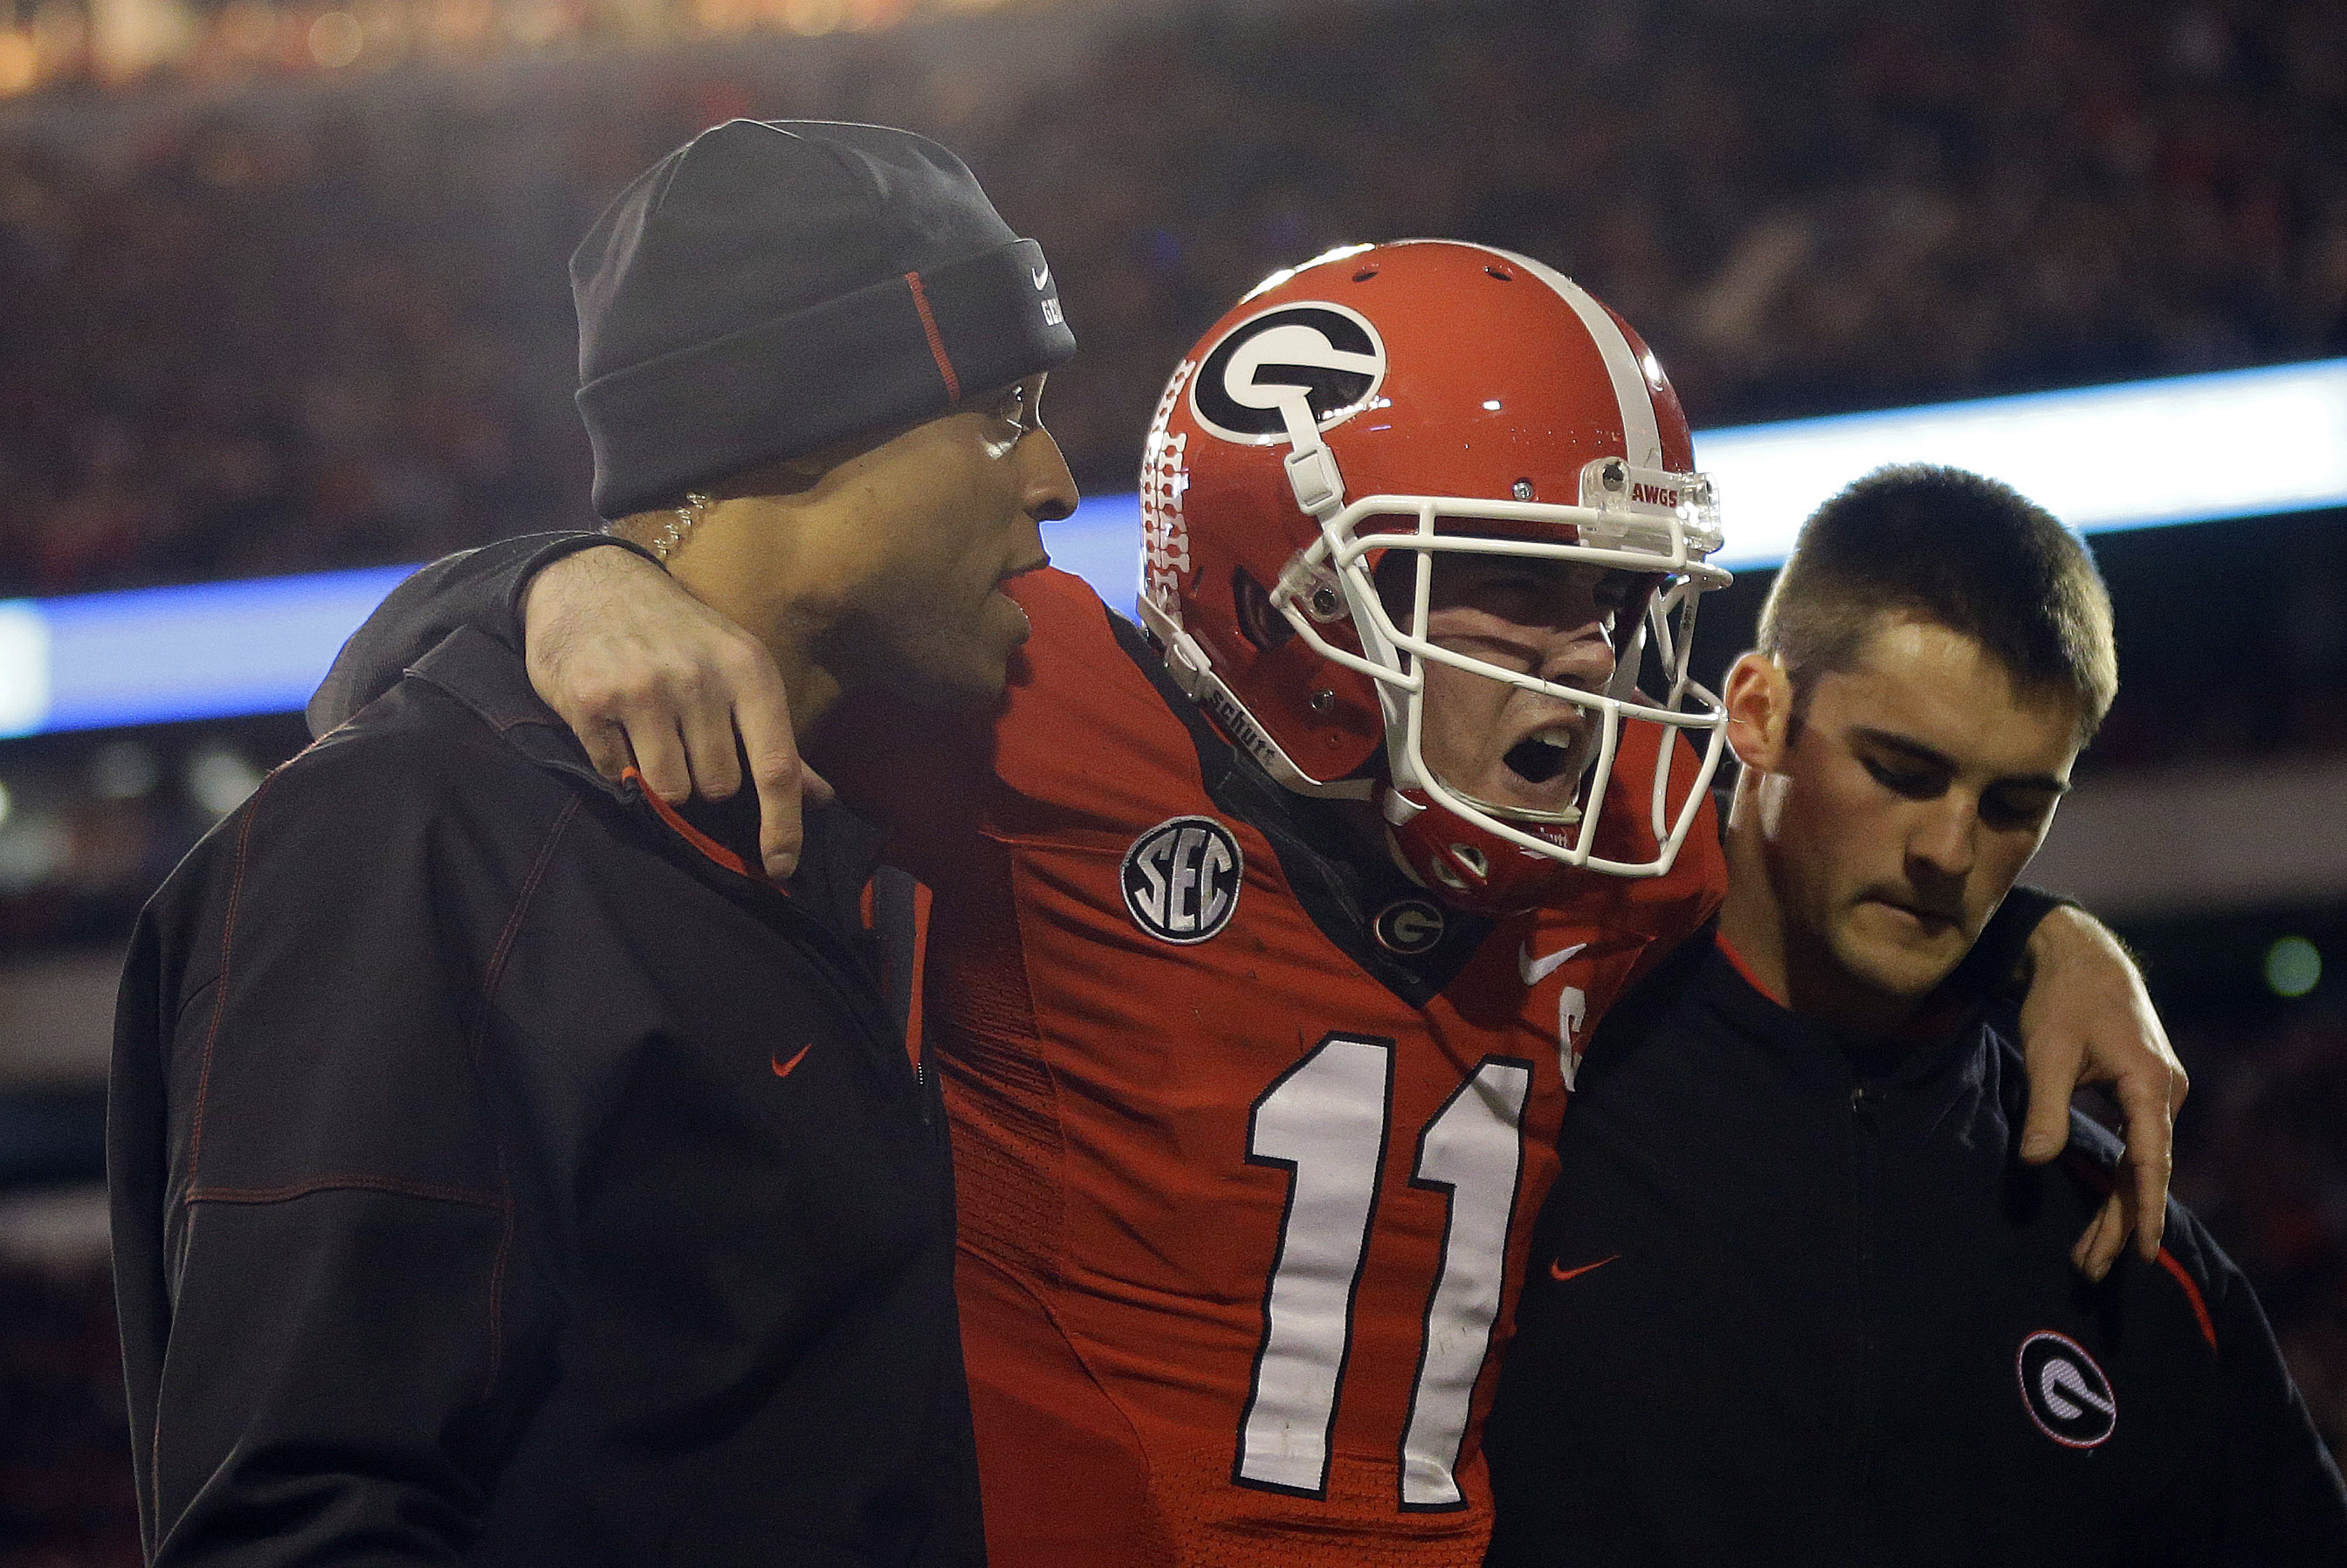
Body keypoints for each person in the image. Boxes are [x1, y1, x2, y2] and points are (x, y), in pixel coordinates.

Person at [313, 239, 2186, 1565]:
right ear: (1287, 580)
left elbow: (1865, 875)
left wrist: (2043, 935)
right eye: (1510, 588)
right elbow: (473, 689)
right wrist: (544, 584)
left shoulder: (1615, 840)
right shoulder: (1022, 710)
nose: (1588, 671)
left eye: (1610, 602)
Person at [108, 119, 1078, 1565]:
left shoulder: (827, 809)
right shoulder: (407, 837)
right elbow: (301, 1524)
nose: (1054, 476)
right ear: (798, 415)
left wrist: (522, 580)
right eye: (1003, 408)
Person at [1483, 467, 2347, 1568]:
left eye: (2013, 804)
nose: (1948, 849)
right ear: (1755, 711)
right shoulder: (1516, 1095)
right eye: (1900, 770)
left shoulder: (2130, 1250)